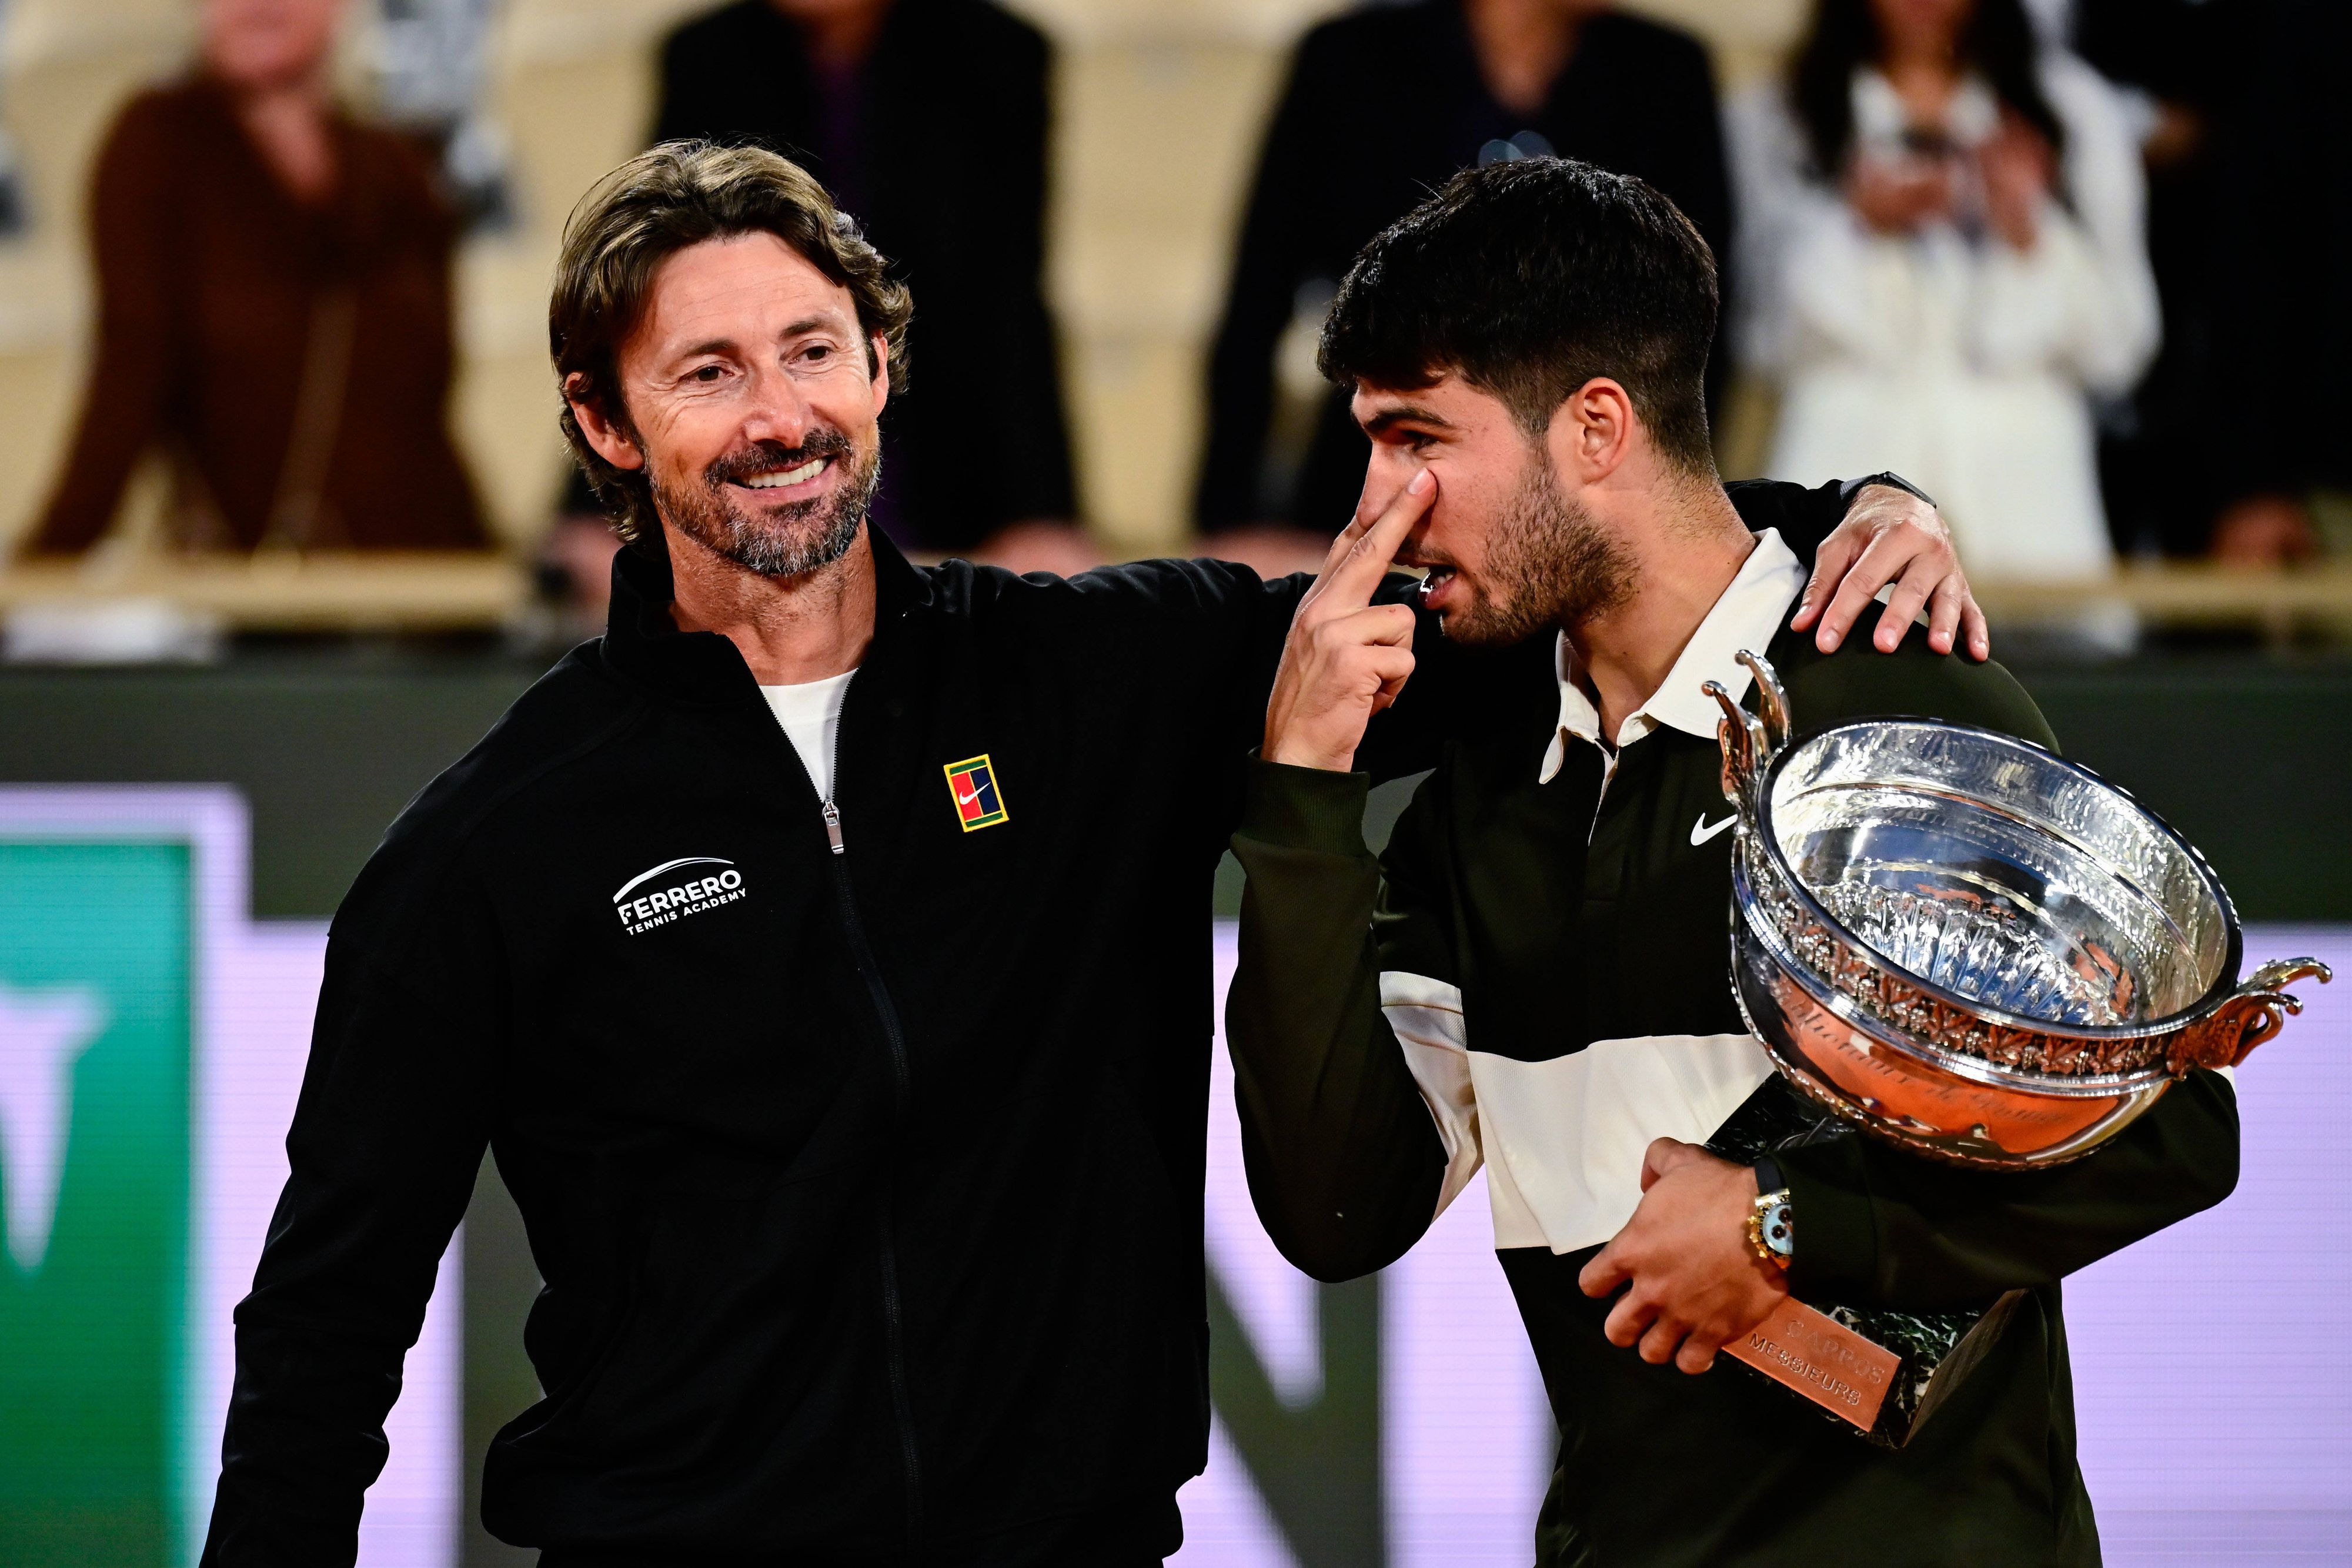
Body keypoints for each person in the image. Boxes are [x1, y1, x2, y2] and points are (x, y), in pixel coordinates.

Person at [196, 143, 1982, 1566]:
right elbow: (329, 1318)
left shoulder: (1103, 676)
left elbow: (1559, 574)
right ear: (605, 421)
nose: (779, 412)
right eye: (708, 372)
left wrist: (1849, 512)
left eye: (815, 349)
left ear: (883, 366)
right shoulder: (492, 850)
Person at [1222, 157, 2238, 1565]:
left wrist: (1781, 1222)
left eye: (1417, 441)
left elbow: (2176, 1128)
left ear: (1594, 428)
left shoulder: (1889, 694)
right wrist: (1302, 797)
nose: (1375, 511)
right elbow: (1338, 1212)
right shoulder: (1482, 788)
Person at [1196, 0, 1733, 566]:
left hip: (1579, 507)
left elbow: (1698, 328)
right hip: (1365, 486)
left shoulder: (1666, 72)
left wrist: (1664, 520)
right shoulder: (1351, 59)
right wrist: (1227, 521)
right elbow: (1257, 301)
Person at [21, 0, 486, 557]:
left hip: (432, 593)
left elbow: (428, 420)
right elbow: (129, 372)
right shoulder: (158, 144)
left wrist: (510, 575)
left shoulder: (398, 169)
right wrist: (44, 568)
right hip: (257, 599)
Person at [646, 0, 1091, 573]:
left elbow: (1006, 303)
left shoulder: (995, 54)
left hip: (940, 470)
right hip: (741, 451)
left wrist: (1040, 511)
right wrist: (610, 508)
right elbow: (653, 285)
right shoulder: (706, 56)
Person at [1729, 0, 2157, 579]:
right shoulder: (1780, 112)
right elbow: (1756, 335)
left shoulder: (2070, 111)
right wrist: (1854, 223)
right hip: (1846, 471)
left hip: (2028, 495)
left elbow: (2122, 343)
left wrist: (2029, 232)